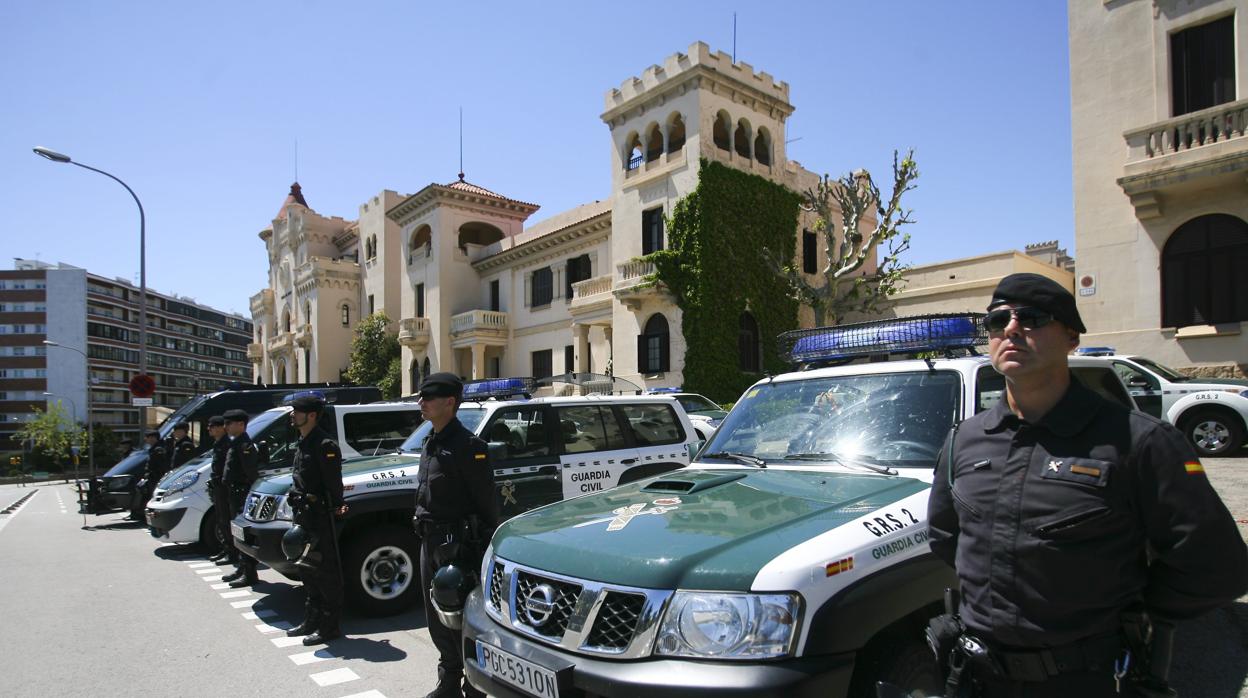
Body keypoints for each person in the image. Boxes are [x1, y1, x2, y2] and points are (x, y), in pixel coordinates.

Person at [927, 273, 1248, 696]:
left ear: (1071, 337)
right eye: (997, 320)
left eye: (1032, 318)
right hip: (979, 676)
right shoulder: (965, 439)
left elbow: (1216, 568)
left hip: (1089, 678)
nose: (1011, 328)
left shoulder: (1141, 441)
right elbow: (947, 536)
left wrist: (1130, 614)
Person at [412, 372, 497, 698]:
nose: (422, 402)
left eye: (429, 397)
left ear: (450, 402)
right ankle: (448, 681)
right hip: (429, 542)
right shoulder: (429, 442)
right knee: (436, 618)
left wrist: (479, 551)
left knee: (462, 620)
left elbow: (486, 504)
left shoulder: (469, 447)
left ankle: (473, 687)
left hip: (457, 546)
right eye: (421, 397)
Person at [283, 392, 347, 646]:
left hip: (320, 517)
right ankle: (311, 620)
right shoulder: (302, 442)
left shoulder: (325, 446)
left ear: (311, 415)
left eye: (297, 411)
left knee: (325, 572)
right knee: (306, 570)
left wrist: (337, 505)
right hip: (302, 516)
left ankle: (329, 627)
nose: (292, 415)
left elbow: (334, 485)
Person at [220, 409, 260, 588]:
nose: (225, 427)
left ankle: (250, 573)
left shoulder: (245, 445)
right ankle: (242, 568)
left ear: (241, 425)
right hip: (233, 493)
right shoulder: (236, 443)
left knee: (243, 533)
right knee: (236, 531)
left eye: (229, 423)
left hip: (241, 493)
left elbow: (251, 473)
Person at [204, 416, 232, 563]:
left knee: (226, 520)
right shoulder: (218, 443)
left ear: (222, 427)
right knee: (221, 520)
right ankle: (226, 549)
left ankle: (231, 552)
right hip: (218, 486)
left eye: (213, 426)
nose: (210, 429)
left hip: (224, 487)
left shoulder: (227, 443)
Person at [129, 430, 167, 520]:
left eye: (148, 438)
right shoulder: (154, 449)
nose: (146, 440)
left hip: (156, 478)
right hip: (152, 477)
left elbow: (161, 466)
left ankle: (154, 517)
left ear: (154, 438)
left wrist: (154, 474)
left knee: (154, 498)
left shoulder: (159, 450)